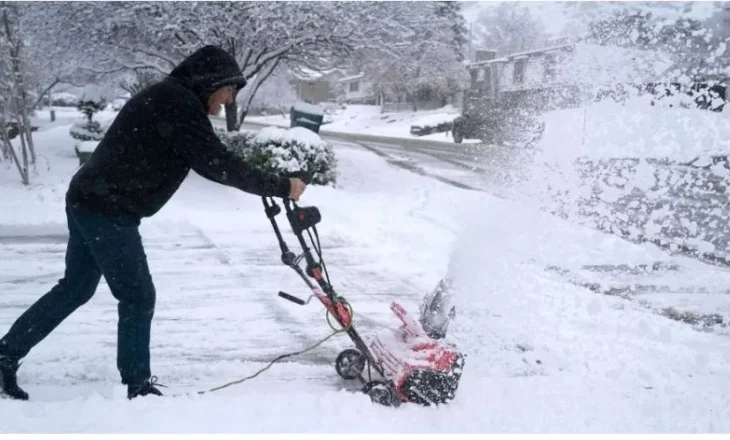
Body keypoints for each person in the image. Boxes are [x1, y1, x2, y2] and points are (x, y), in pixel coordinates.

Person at [0, 45, 307, 400]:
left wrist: (272, 183)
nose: (228, 101)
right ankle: (137, 385)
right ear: (212, 82)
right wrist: (281, 186)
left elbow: (210, 158)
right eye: (229, 91)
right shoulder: (177, 103)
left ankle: (6, 353)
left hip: (91, 198)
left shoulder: (173, 99)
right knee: (137, 296)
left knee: (77, 288)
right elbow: (215, 162)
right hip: (106, 207)